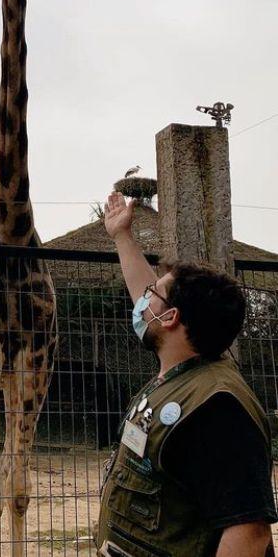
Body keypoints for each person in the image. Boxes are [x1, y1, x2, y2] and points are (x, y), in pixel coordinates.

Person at [96, 192, 277, 557]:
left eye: (153, 295)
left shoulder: (218, 408)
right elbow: (145, 296)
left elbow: (250, 535)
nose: (143, 301)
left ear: (171, 318)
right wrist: (122, 236)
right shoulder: (186, 373)